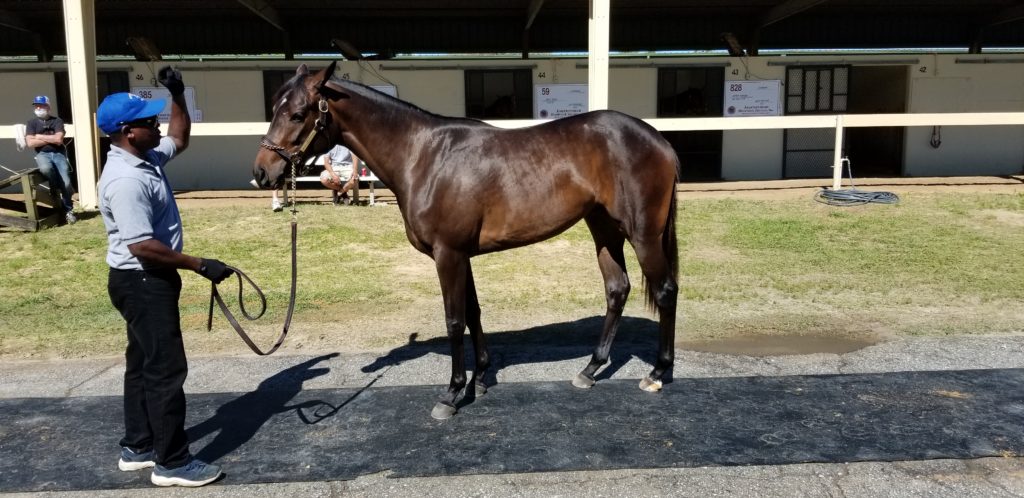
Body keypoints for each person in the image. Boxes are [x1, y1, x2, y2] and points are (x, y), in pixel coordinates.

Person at [97, 67, 232, 488]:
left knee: (141, 365)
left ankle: (138, 447)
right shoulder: (126, 180)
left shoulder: (146, 156)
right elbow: (141, 245)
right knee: (165, 371)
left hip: (139, 282)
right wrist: (198, 263)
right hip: (143, 281)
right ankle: (171, 463)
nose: (156, 126)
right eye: (146, 122)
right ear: (126, 132)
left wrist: (176, 93)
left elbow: (181, 135)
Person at [25, 95, 76, 224]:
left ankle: (69, 210)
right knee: (45, 169)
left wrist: (38, 136)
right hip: (42, 154)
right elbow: (30, 144)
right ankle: (54, 187)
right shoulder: (31, 123)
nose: (38, 108)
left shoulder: (57, 121)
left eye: (41, 105)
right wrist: (49, 138)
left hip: (58, 154)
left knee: (66, 183)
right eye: (36, 105)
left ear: (48, 106)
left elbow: (58, 140)